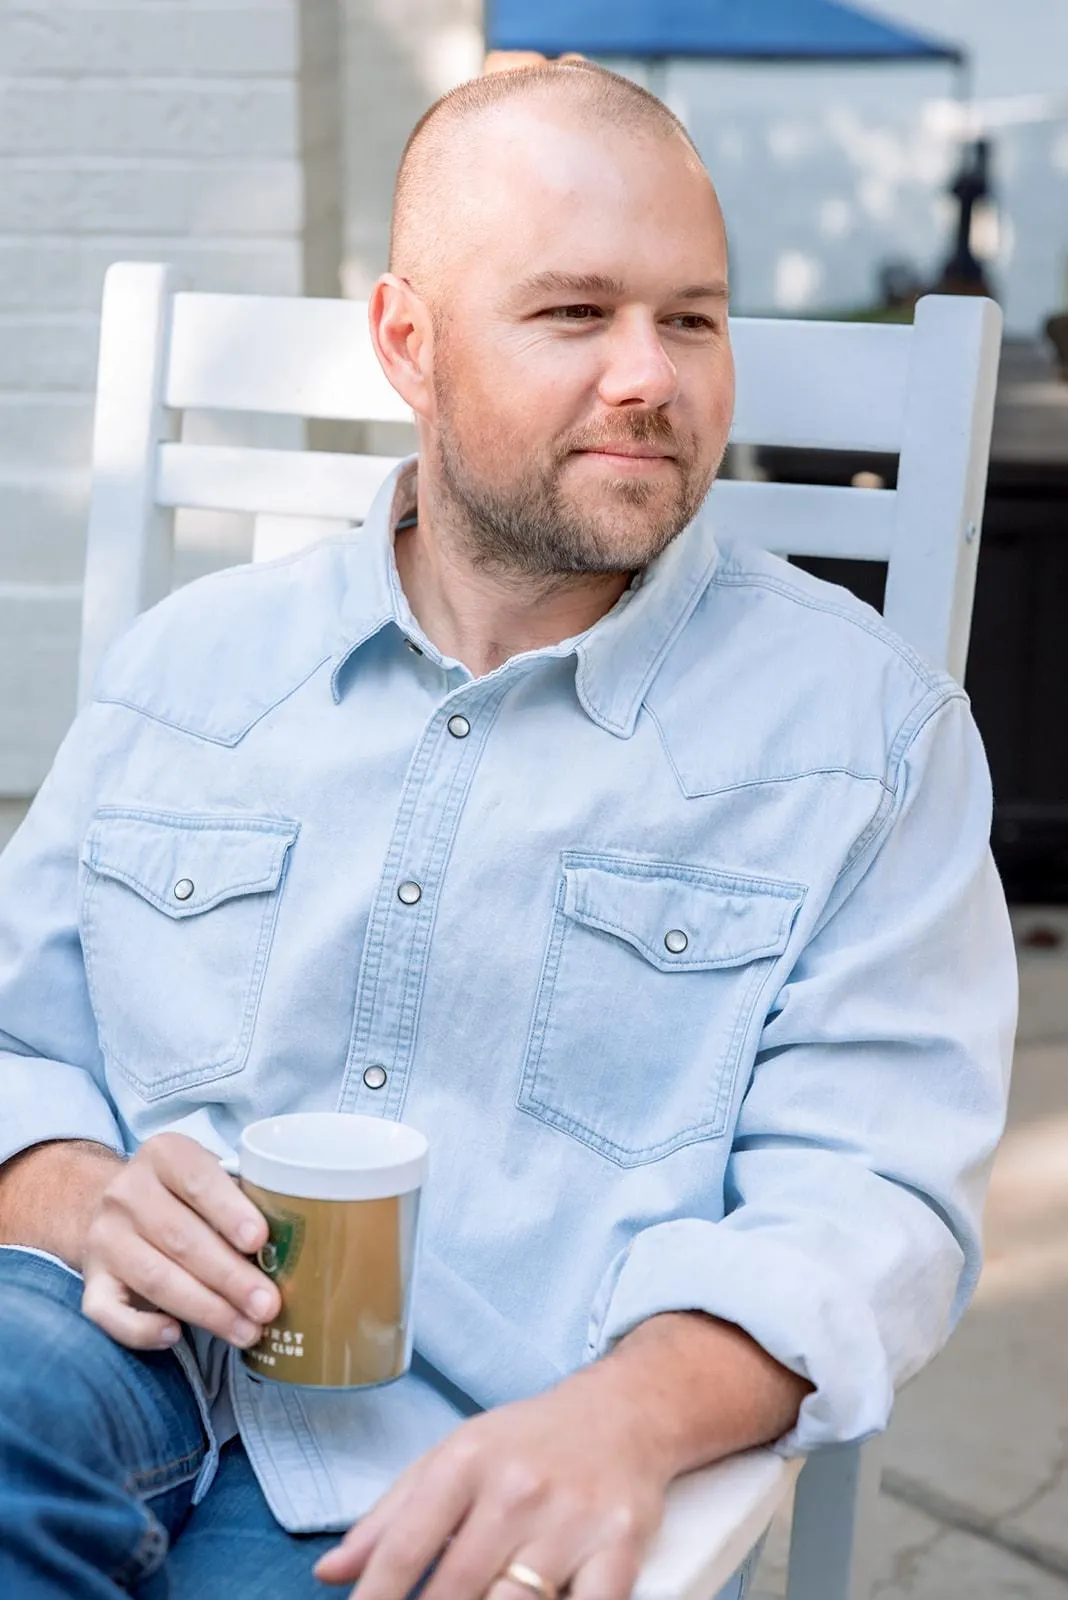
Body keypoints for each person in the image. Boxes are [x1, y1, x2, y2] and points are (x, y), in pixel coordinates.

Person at [0, 60, 1016, 1600]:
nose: (649, 376)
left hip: (469, 1468)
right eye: (575, 313)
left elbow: (869, 1204)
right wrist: (83, 1193)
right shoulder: (191, 670)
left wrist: (629, 1422)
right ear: (408, 344)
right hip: (106, 1371)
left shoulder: (861, 742)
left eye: (694, 318)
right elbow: (21, 1044)